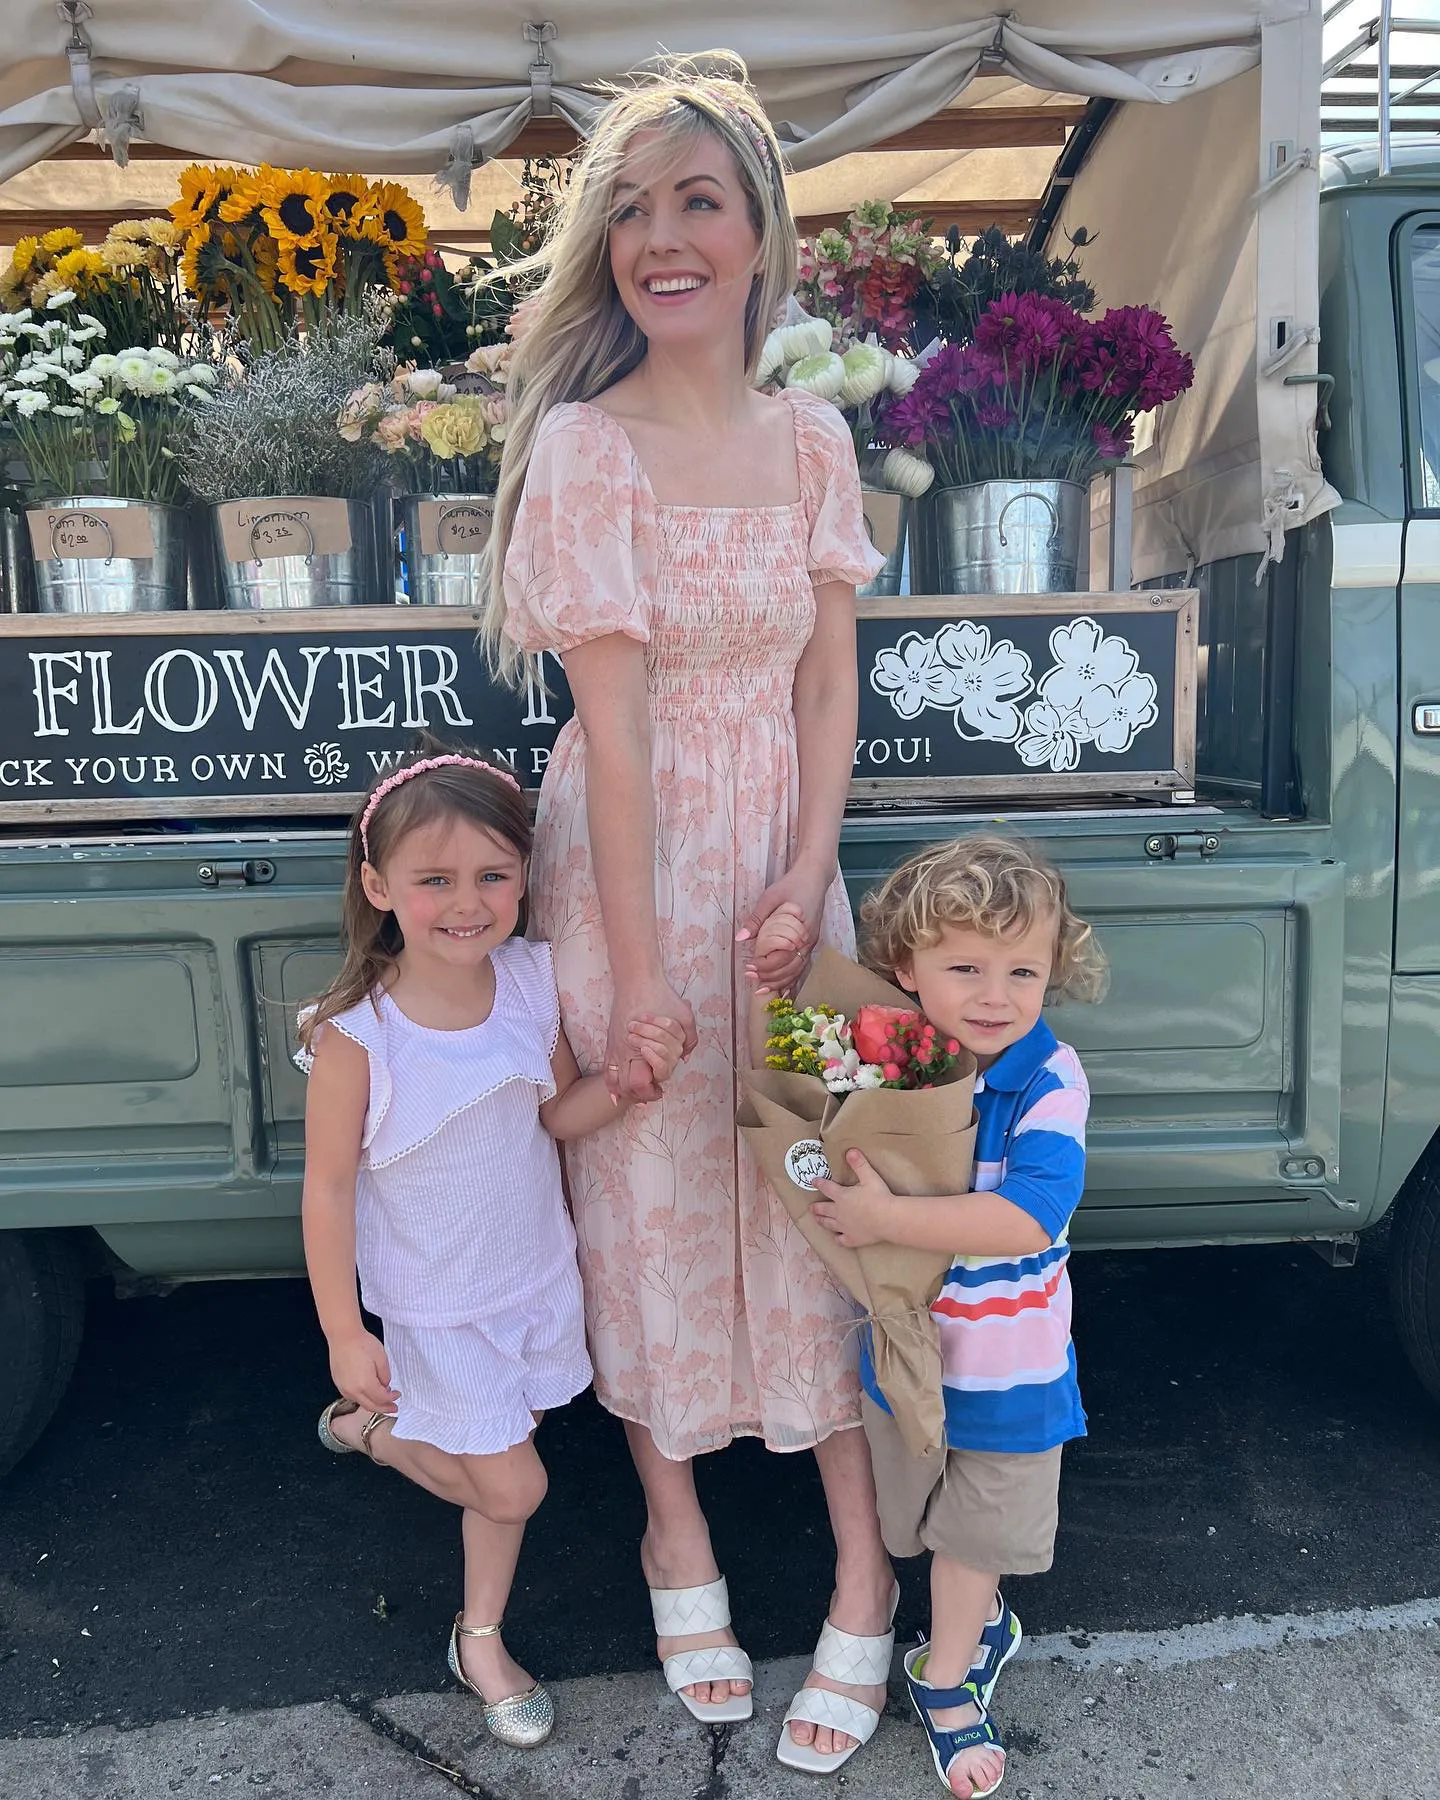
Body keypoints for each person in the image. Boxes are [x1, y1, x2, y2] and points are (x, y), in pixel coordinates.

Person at [483, 52, 896, 1773]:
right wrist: (641, 978)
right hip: (630, 870)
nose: (662, 237)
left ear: (759, 235)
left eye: (697, 202)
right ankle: (676, 1537)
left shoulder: (815, 438)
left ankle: (867, 1573)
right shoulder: (587, 449)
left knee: (821, 1190)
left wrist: (807, 873)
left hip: (788, 870)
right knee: (646, 1183)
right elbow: (618, 724)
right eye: (632, 209)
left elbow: (827, 686)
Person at [297, 743, 684, 1751]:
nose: (466, 902)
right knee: (514, 1485)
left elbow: (557, 1113)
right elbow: (327, 1191)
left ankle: (462, 1603)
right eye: (434, 880)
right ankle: (391, 1462)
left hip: (532, 1277)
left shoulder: (523, 981)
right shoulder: (359, 1035)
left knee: (502, 1465)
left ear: (522, 878)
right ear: (379, 887)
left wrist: (627, 1086)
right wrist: (343, 1332)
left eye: (491, 876)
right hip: (436, 1305)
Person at [809, 835, 1107, 1799]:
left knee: (975, 1536)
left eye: (1022, 970)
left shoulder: (1050, 1078)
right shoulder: (889, 1056)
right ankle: (981, 1625)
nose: (995, 995)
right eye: (965, 968)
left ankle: (944, 1683)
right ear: (907, 969)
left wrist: (888, 1220)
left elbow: (1030, 1215)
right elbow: (809, 1109)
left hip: (1014, 1364)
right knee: (920, 1524)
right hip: (910, 1353)